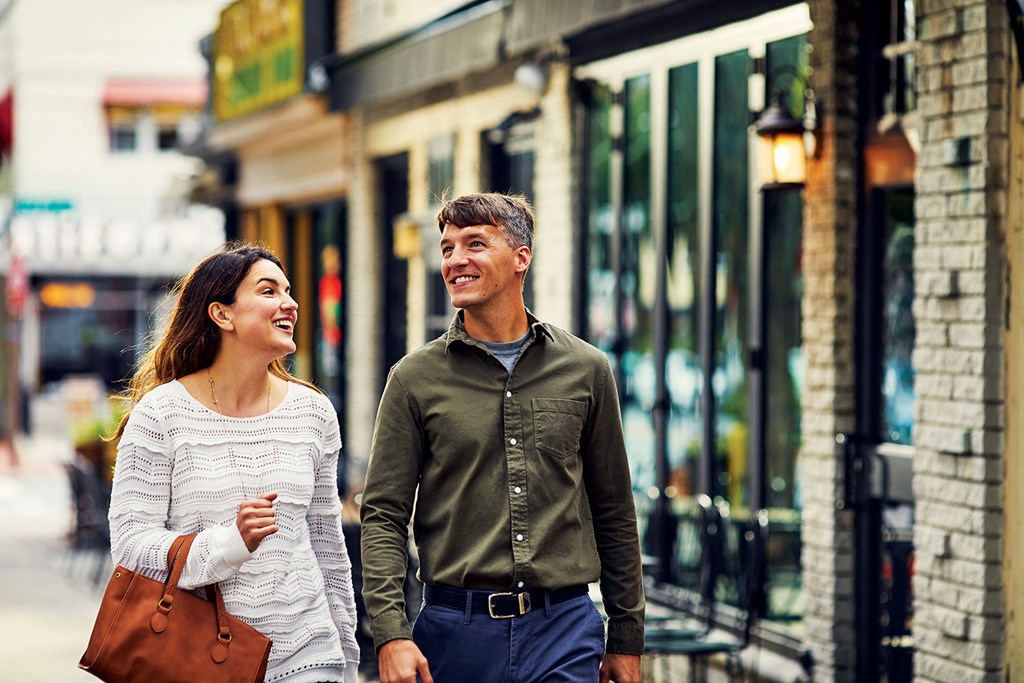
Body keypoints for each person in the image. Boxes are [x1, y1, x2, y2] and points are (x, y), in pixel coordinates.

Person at [360, 193, 645, 683]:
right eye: (447, 249)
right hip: (455, 633)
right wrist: (390, 632)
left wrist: (626, 636)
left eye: (474, 244)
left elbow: (614, 508)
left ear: (521, 257)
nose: (455, 260)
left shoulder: (587, 370)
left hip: (565, 629)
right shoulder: (414, 379)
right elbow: (383, 515)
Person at [108, 243, 360, 683]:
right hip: (202, 657)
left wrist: (346, 656)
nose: (290, 303)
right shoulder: (161, 413)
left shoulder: (313, 412)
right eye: (268, 291)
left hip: (310, 655)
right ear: (222, 314)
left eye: (288, 290)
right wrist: (228, 542)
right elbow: (131, 546)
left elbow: (327, 547)